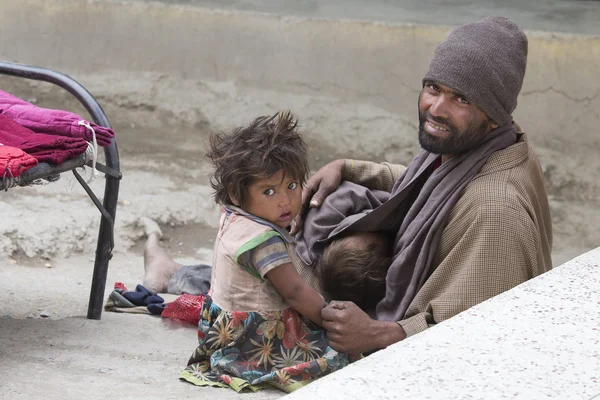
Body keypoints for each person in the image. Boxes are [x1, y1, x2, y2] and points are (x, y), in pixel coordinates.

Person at [291, 16, 553, 355]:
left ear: (493, 114)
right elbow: (430, 189)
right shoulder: (481, 143)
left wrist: (381, 334)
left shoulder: (496, 212)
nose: (436, 109)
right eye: (434, 88)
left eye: (462, 99)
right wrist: (348, 168)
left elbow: (480, 329)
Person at [178, 111, 350, 393]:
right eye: (269, 192)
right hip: (254, 339)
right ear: (236, 192)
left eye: (292, 186)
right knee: (338, 356)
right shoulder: (263, 241)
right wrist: (331, 323)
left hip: (222, 328)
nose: (285, 202)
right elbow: (294, 292)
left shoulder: (233, 217)